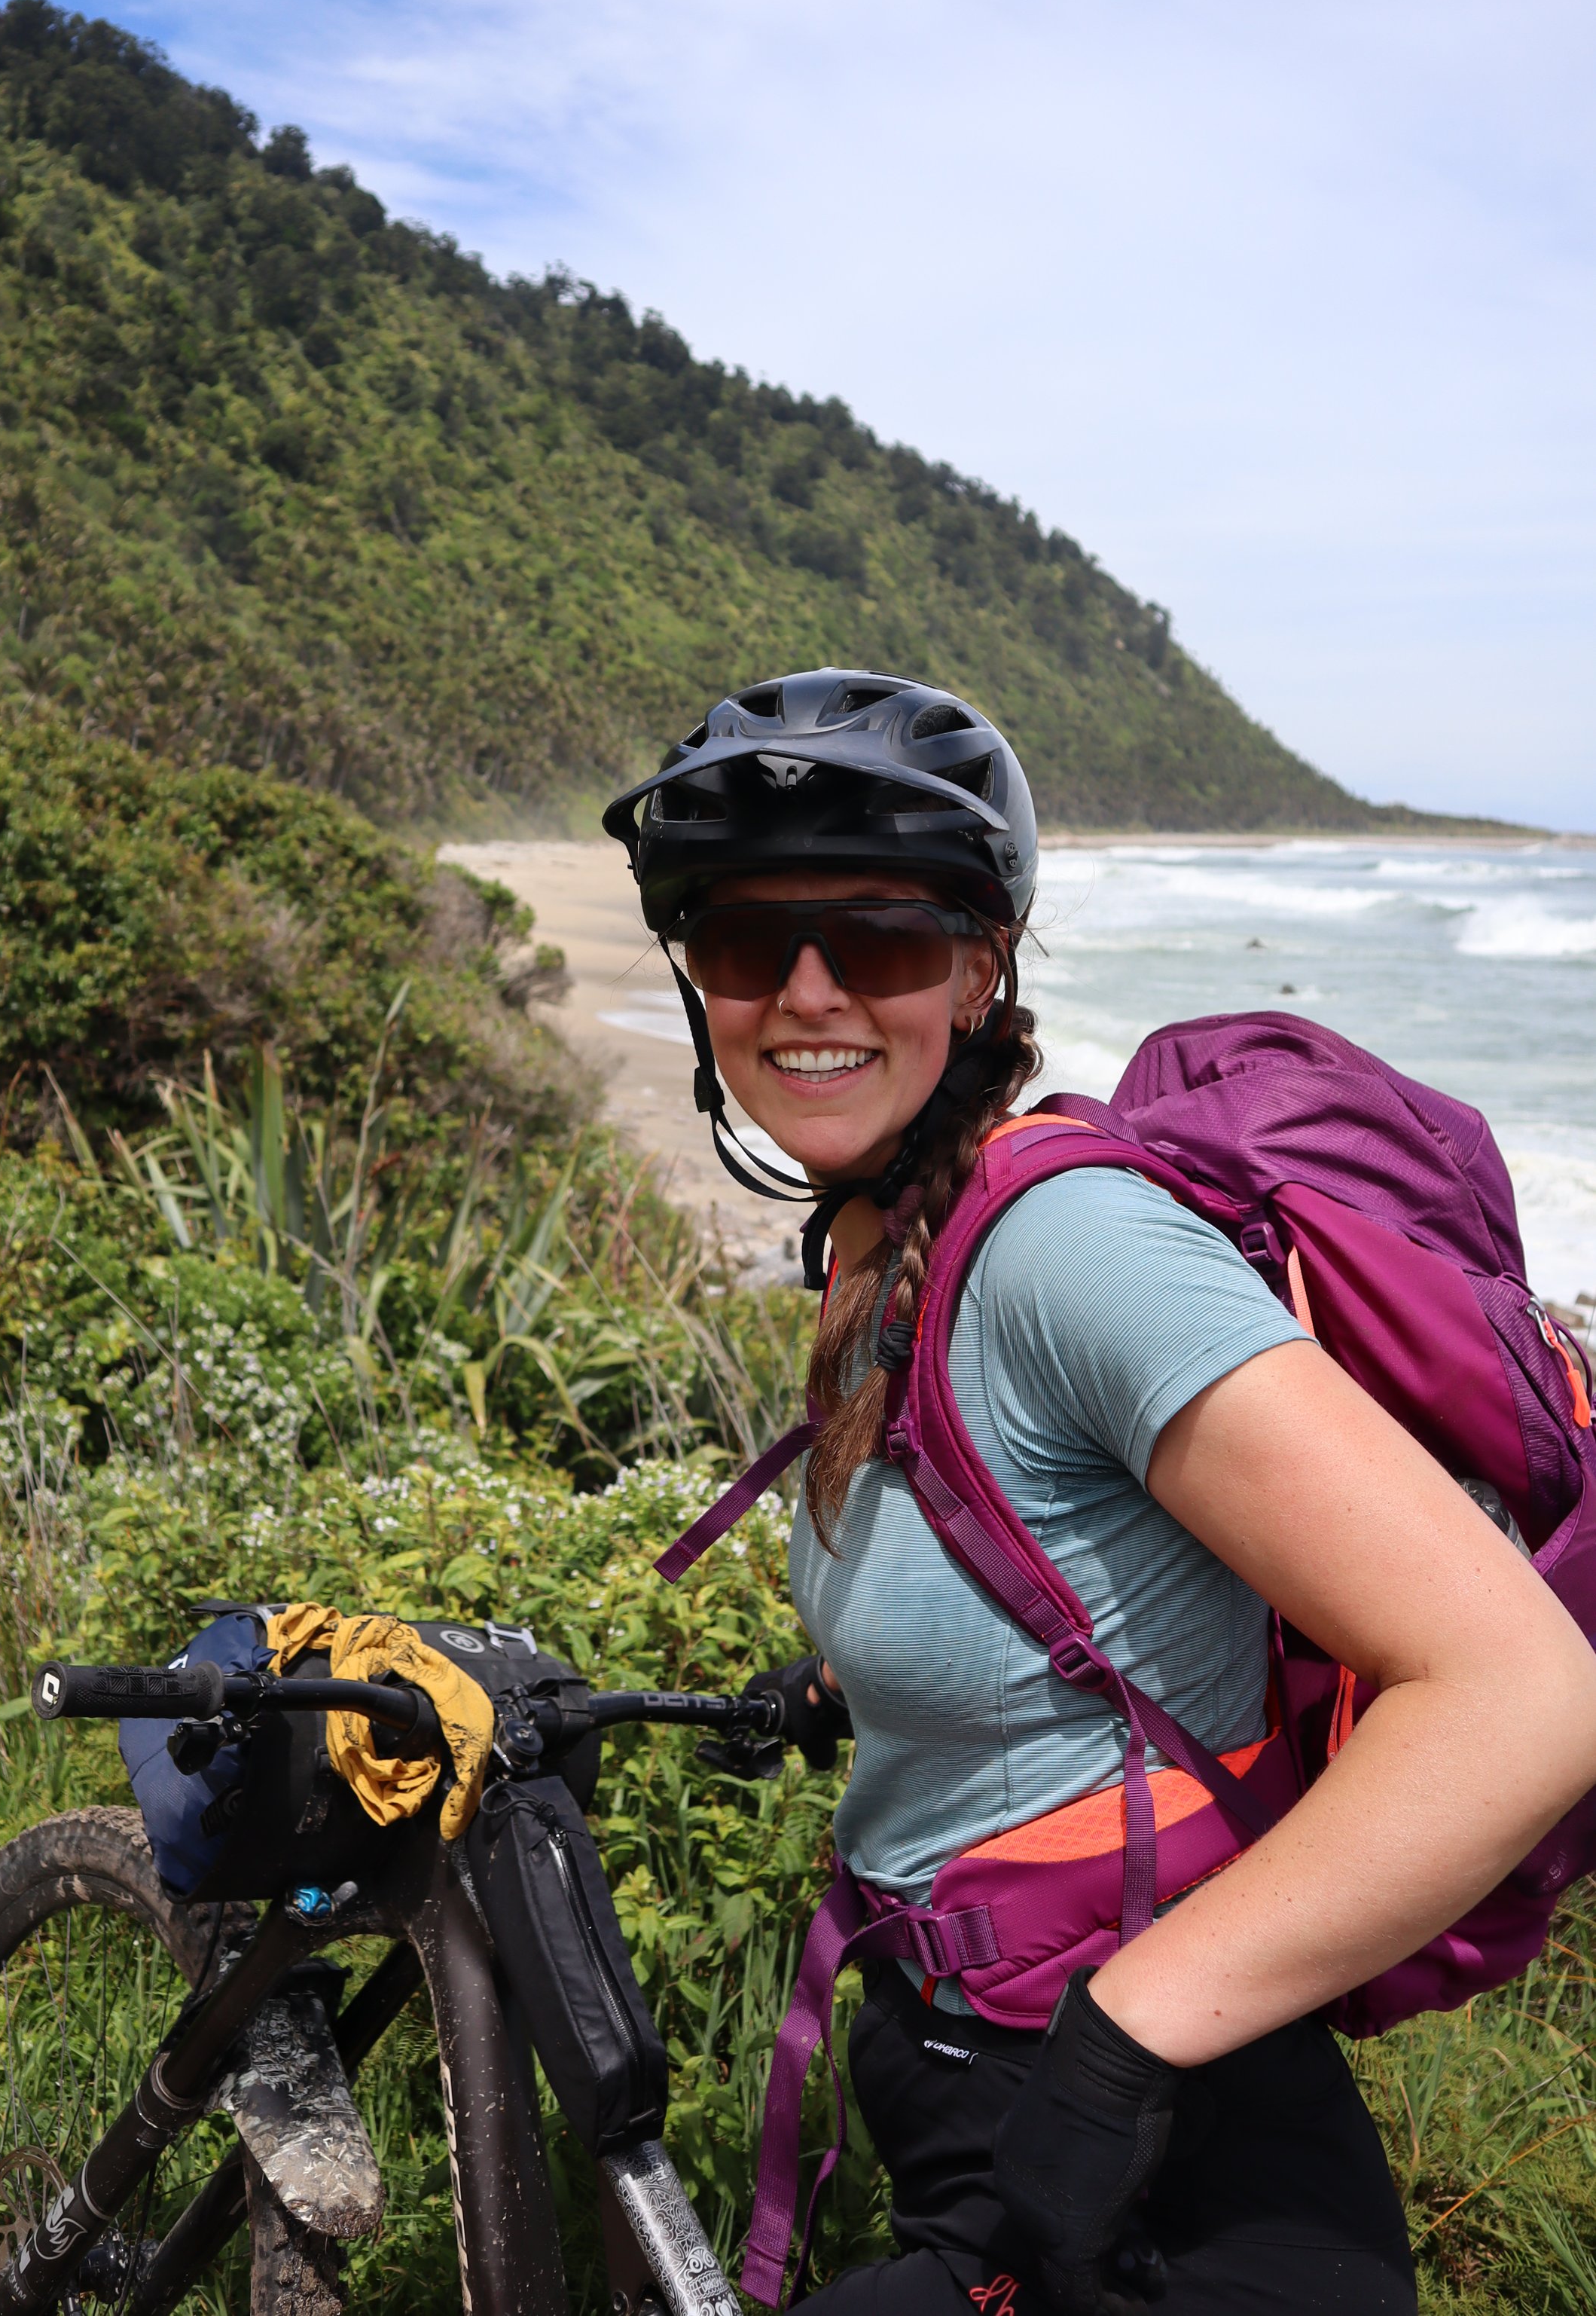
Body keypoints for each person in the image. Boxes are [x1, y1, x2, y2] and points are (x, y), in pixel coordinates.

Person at [603, 669, 1596, 2316]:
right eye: (739, 941)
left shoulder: (1065, 1243)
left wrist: (1119, 2052)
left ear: (981, 967)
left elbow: (1524, 1694)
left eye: (878, 940)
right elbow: (1056, 1581)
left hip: (1167, 2178)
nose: (803, 994)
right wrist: (872, 1690)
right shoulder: (888, 1232)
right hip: (984, 2097)